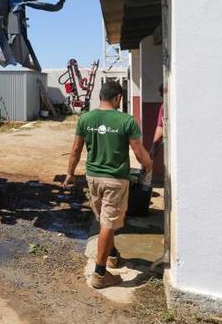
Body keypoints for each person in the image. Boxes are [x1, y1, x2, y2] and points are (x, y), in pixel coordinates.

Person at [62, 80, 152, 289]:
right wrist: (148, 167)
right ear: (118, 98)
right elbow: (139, 153)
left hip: (92, 178)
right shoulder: (127, 120)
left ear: (100, 96)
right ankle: (100, 274)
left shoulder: (85, 118)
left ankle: (111, 255)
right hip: (115, 180)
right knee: (107, 224)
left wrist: (70, 174)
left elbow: (75, 150)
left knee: (104, 219)